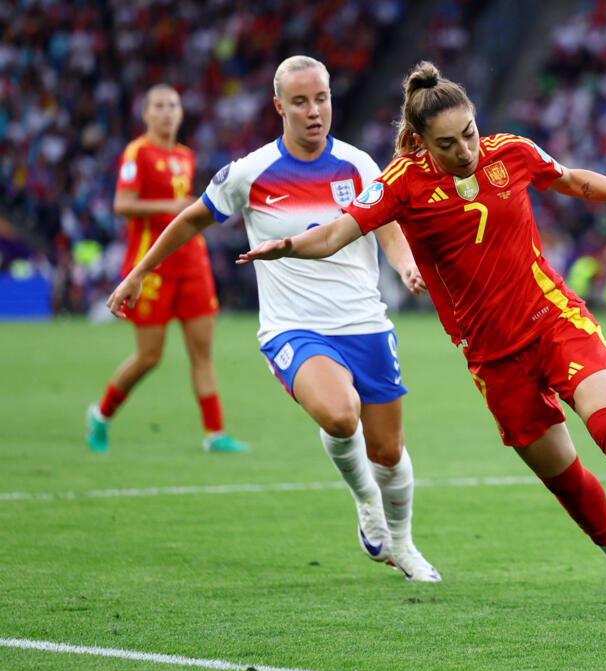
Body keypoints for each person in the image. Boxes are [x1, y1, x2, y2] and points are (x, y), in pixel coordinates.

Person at [237, 60, 606, 608]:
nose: (466, 150)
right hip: (493, 358)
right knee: (565, 479)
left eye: (469, 133)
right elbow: (335, 233)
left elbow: (572, 180)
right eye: (448, 144)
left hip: (552, 320)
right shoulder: (401, 183)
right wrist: (288, 246)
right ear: (421, 143)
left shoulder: (511, 152)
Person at [106, 56, 440, 582]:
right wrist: (139, 273)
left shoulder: (358, 165)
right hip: (294, 328)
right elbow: (191, 218)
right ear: (279, 106)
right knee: (340, 415)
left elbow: (387, 227)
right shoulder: (251, 172)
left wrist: (404, 267)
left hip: (365, 324)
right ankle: (366, 503)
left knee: (389, 451)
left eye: (322, 99)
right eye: (301, 102)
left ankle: (403, 542)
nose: (314, 111)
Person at [87, 84, 249, 455]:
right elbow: (121, 204)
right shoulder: (138, 152)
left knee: (202, 353)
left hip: (192, 264)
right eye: (158, 106)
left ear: (180, 113)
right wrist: (171, 205)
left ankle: (215, 433)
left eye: (172, 105)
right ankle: (101, 415)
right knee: (149, 356)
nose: (166, 112)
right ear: (146, 114)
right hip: (152, 268)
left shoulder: (185, 156)